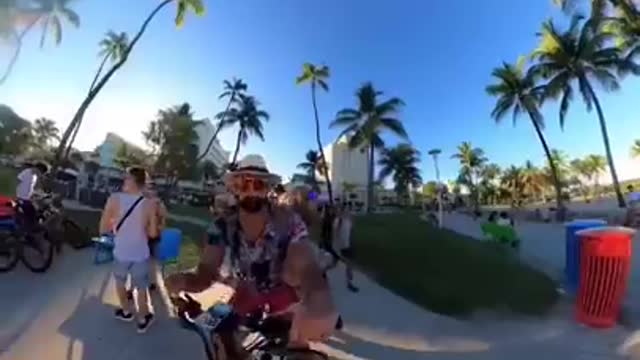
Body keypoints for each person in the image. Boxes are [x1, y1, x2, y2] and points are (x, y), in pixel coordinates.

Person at [165, 154, 337, 357]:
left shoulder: (290, 221)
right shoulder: (220, 227)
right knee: (222, 345)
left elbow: (305, 263)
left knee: (298, 350)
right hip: (247, 296)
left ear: (268, 189)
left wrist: (319, 297)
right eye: (243, 184)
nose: (251, 191)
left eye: (258, 184)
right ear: (234, 189)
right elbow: (207, 271)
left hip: (288, 299)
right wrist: (185, 280)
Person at [99, 167, 159, 333]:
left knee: (119, 282)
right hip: (140, 253)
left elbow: (103, 227)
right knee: (141, 287)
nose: (124, 181)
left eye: (126, 178)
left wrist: (114, 227)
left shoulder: (114, 199)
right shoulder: (149, 204)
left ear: (133, 181)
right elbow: (153, 233)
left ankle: (126, 312)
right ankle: (143, 318)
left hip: (121, 252)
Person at [333, 203, 359, 293]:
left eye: (349, 209)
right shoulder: (338, 220)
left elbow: (351, 232)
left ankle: (349, 282)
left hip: (348, 245)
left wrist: (353, 242)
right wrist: (336, 246)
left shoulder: (349, 220)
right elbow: (335, 234)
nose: (348, 211)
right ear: (343, 210)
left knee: (348, 263)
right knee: (336, 263)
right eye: (346, 209)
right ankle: (321, 272)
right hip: (341, 246)